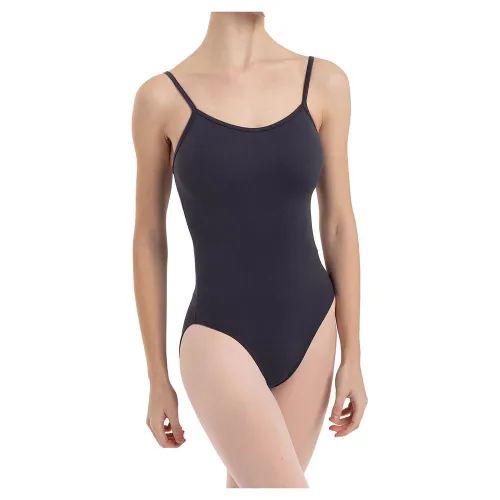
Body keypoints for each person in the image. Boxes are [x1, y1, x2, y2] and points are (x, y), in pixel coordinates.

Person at [132, 11, 367, 488]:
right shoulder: (160, 98)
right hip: (217, 335)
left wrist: (354, 354)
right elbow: (149, 239)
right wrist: (157, 376)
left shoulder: (325, 83)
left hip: (313, 331)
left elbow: (339, 224)